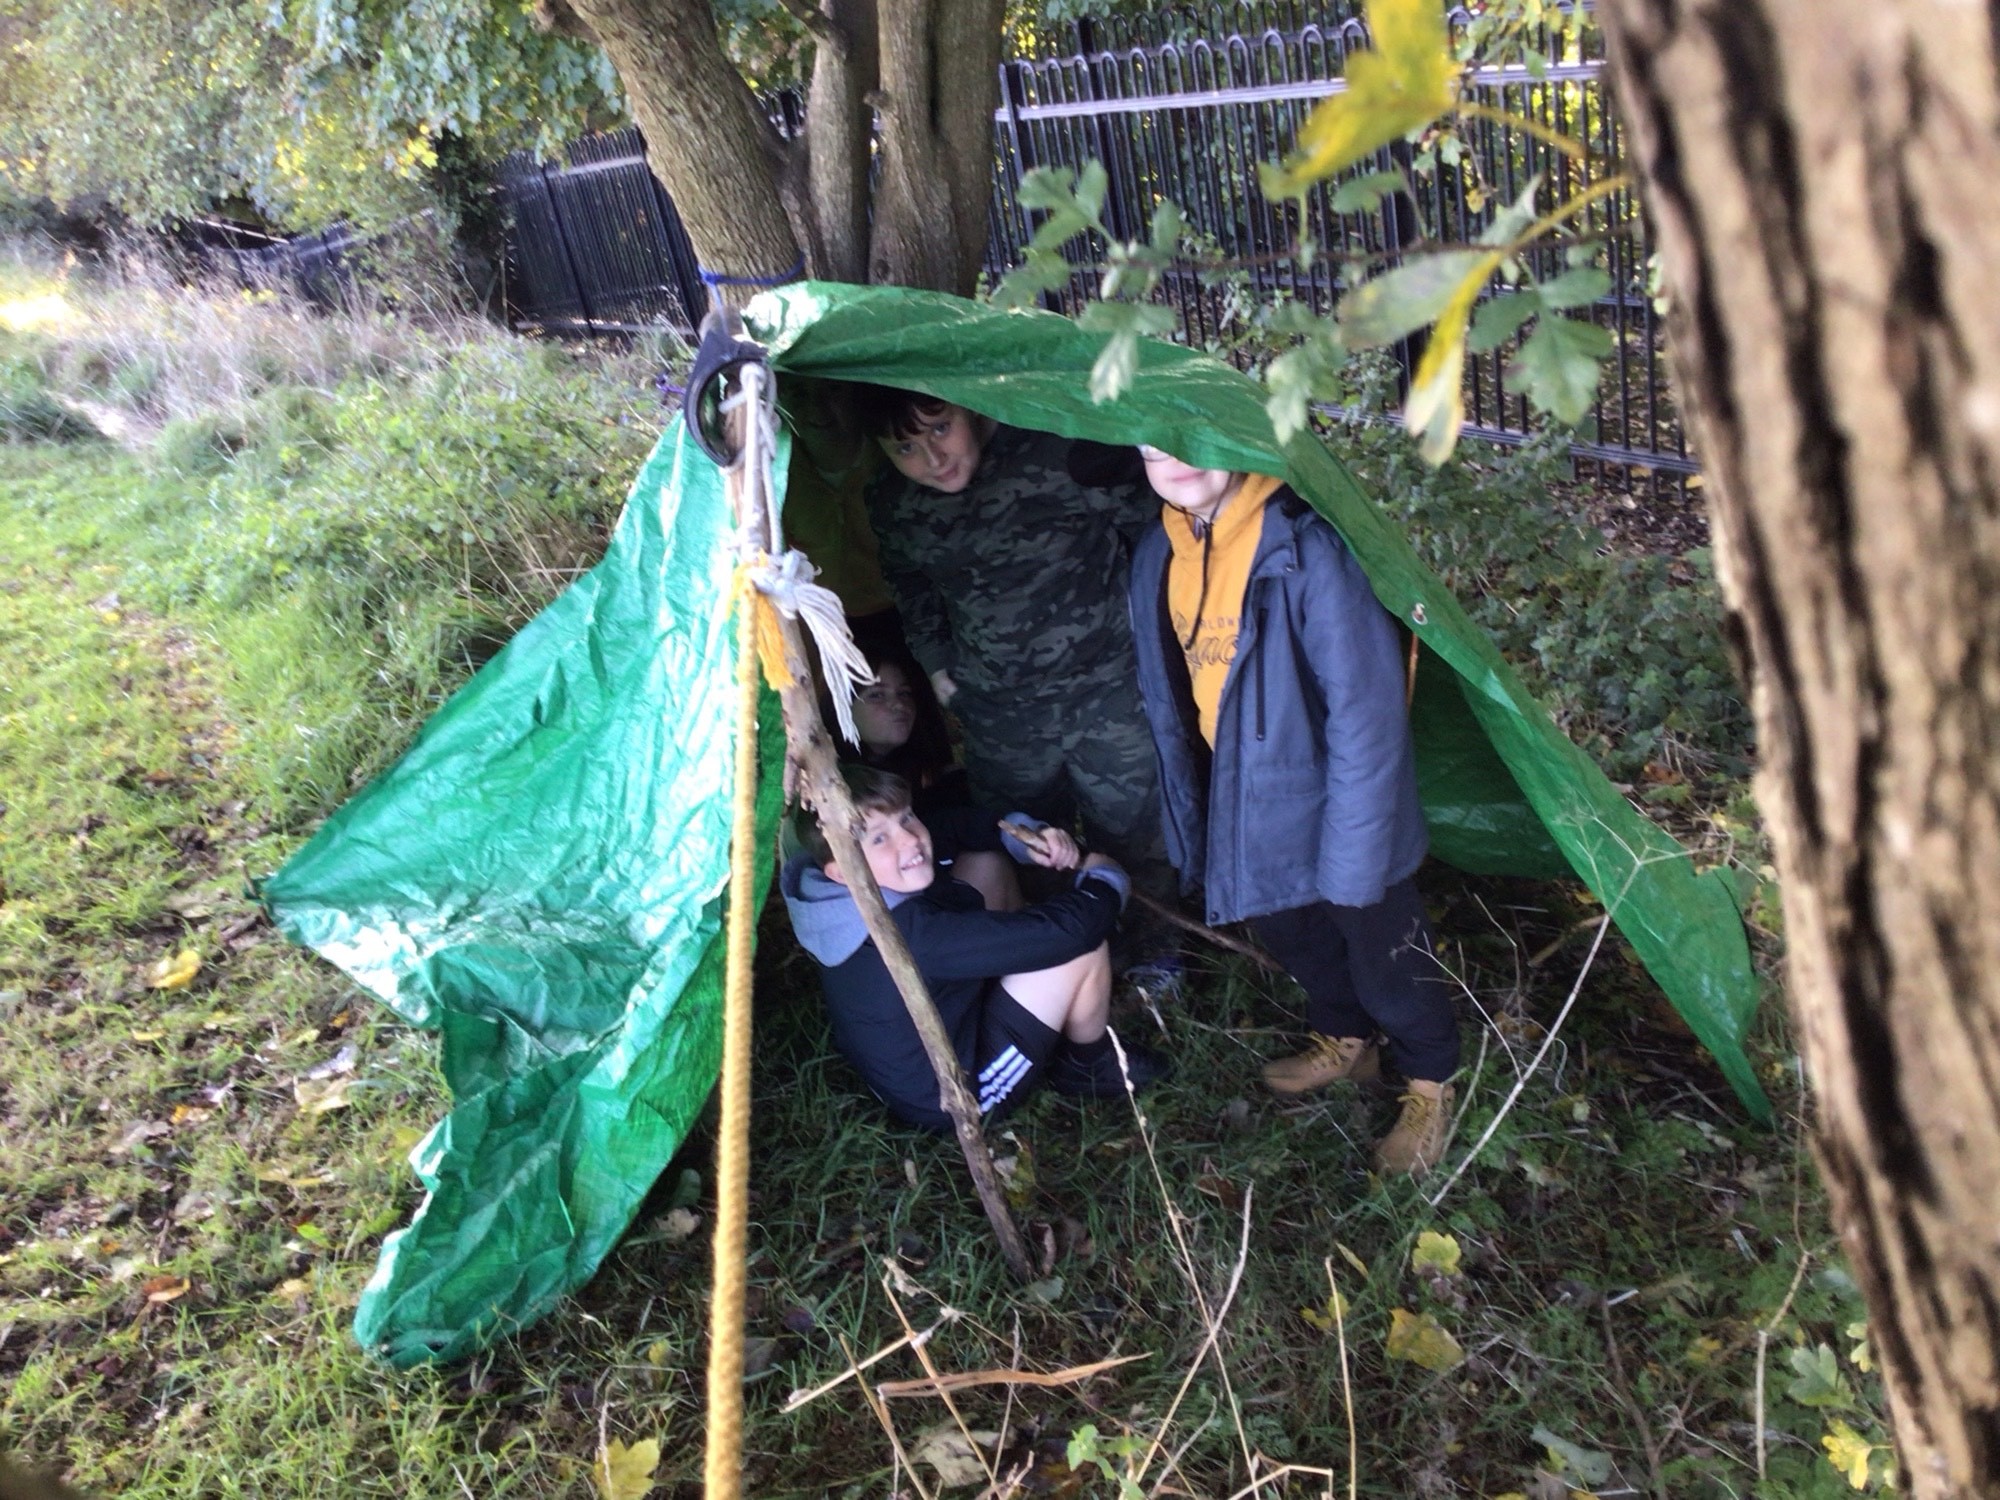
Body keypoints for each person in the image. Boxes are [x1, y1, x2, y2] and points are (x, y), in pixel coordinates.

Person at [1126, 445, 1460, 1174]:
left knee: (1383, 947)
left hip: (1336, 797)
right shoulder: (1162, 545)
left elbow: (1363, 716)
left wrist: (1358, 850)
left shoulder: (1301, 546)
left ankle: (1430, 1082)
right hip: (1244, 792)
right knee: (1294, 930)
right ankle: (1347, 1041)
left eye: (1187, 439)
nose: (1171, 460)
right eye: (1151, 447)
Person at [852, 388, 1175, 935]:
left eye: (939, 428)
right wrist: (936, 665)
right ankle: (1064, 947)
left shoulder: (1057, 450)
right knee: (1028, 840)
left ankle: (1154, 948)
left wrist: (1159, 642)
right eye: (904, 447)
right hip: (1000, 709)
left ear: (970, 407)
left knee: (1135, 828)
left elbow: (1158, 532)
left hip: (1107, 689)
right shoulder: (895, 502)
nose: (932, 460)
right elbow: (910, 584)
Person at [779, 765, 1166, 1133]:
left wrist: (1026, 838)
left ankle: (1017, 986)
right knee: (1077, 950)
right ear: (842, 870)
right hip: (956, 1094)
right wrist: (1104, 877)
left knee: (986, 863)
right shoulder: (911, 937)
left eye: (906, 818)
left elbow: (954, 828)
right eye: (879, 837)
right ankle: (1087, 1064)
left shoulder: (832, 893)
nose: (911, 839)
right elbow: (1069, 933)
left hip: (937, 1022)